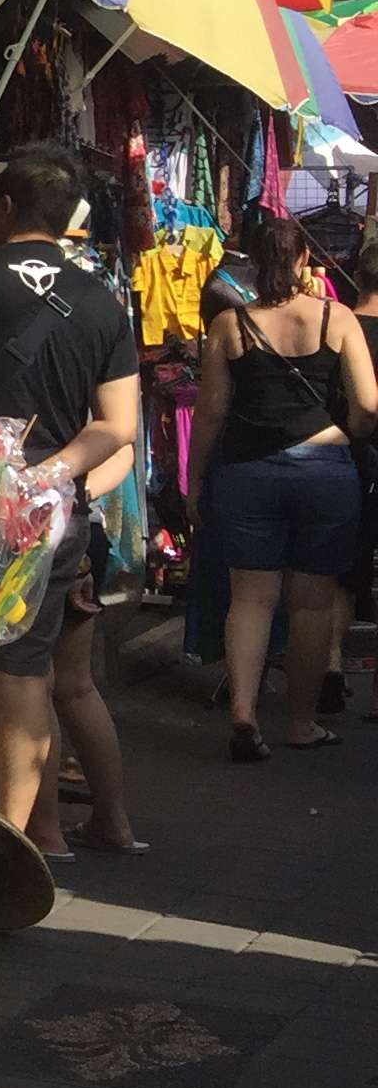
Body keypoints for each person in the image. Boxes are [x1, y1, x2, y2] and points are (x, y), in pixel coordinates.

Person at [0, 144, 144, 855]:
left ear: (2, 208)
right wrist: (53, 476)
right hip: (56, 510)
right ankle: (20, 841)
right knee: (27, 672)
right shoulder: (101, 301)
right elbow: (118, 426)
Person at [193, 209, 377, 757]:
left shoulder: (229, 325)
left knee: (249, 599)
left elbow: (209, 414)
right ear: (303, 260)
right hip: (325, 469)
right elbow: (368, 404)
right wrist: (350, 433)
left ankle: (245, 714)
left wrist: (196, 480)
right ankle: (299, 722)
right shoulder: (336, 318)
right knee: (312, 603)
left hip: (248, 472)